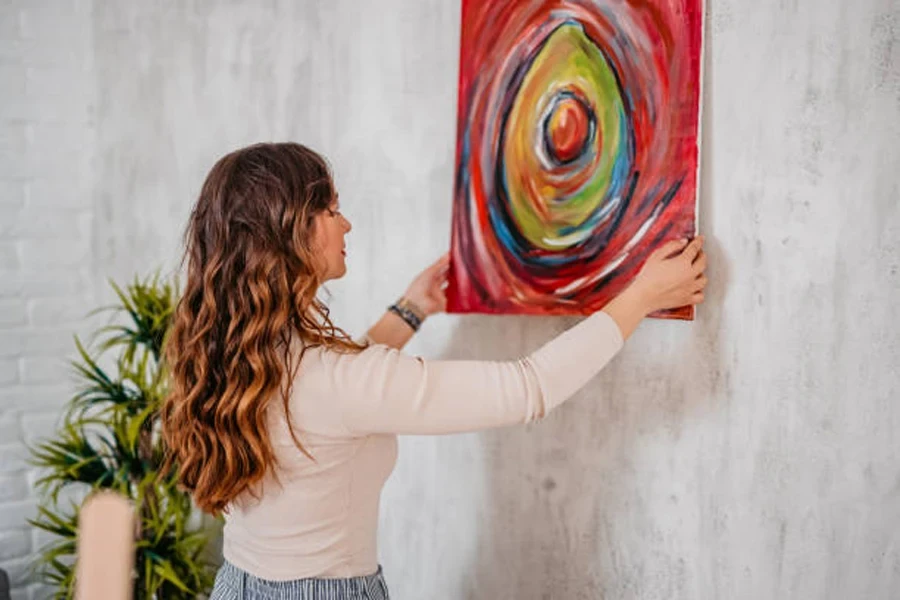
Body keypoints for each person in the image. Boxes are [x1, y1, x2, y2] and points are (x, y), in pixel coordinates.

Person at [160, 142, 707, 600]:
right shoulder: (332, 380)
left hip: (237, 586)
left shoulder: (231, 353)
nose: (345, 222)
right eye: (329, 210)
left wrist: (412, 307)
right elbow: (530, 387)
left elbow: (334, 388)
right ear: (287, 233)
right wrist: (642, 296)